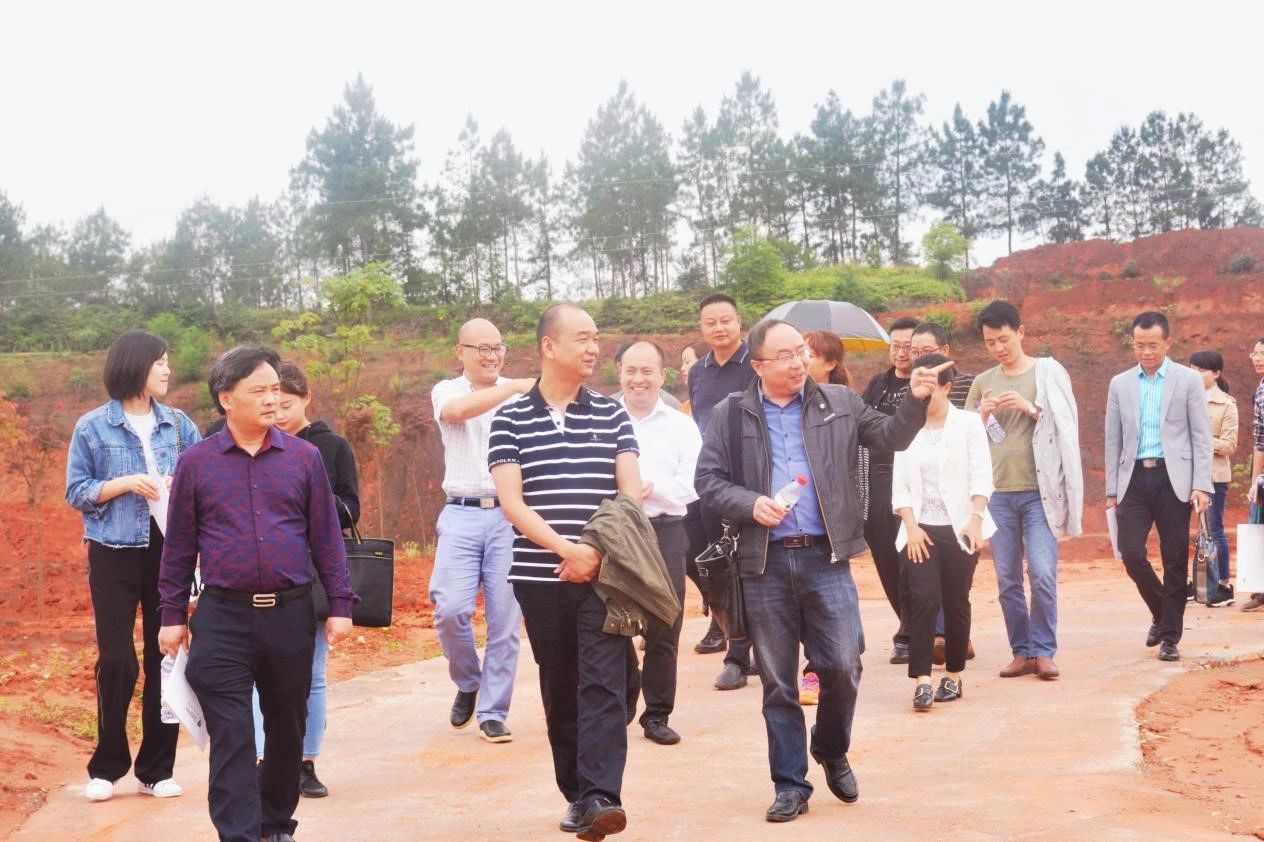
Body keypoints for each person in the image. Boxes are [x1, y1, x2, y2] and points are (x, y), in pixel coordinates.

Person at [695, 318, 946, 823]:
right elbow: (708, 480)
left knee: (843, 665)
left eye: (801, 352)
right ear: (758, 364)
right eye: (785, 355)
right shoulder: (731, 414)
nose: (797, 362)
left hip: (825, 557)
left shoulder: (839, 402)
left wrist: (916, 399)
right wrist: (749, 504)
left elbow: (892, 437)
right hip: (763, 562)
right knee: (778, 682)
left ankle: (830, 747)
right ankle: (790, 784)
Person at [157, 344, 355, 842]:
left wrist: (341, 603)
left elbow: (326, 537)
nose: (271, 400)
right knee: (233, 735)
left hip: (290, 614)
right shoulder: (197, 463)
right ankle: (240, 834)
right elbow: (178, 546)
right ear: (226, 398)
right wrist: (171, 614)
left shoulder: (304, 458)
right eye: (259, 391)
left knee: (287, 728)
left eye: (275, 390)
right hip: (222, 617)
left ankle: (275, 824)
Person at [489, 304, 641, 840]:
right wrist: (565, 550)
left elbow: (629, 492)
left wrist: (593, 550)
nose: (594, 347)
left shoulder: (613, 414)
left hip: (604, 573)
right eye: (582, 338)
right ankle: (578, 794)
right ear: (549, 346)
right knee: (561, 682)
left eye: (596, 337)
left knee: (604, 682)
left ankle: (602, 795)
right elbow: (512, 503)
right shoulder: (510, 418)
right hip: (539, 577)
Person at [65, 330, 200, 803]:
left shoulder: (180, 425)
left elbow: (205, 481)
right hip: (112, 552)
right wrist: (124, 483)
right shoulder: (92, 427)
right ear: (136, 365)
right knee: (117, 660)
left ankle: (156, 770)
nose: (167, 370)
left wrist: (180, 487)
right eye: (160, 362)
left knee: (166, 656)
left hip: (169, 551)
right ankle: (107, 767)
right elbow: (76, 490)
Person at [248, 361, 361, 797]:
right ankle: (263, 760)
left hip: (313, 576)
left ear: (306, 399)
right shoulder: (248, 446)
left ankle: (305, 762)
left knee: (311, 673)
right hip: (260, 577)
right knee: (257, 672)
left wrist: (308, 492)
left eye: (286, 404)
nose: (277, 412)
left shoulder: (331, 447)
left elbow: (351, 509)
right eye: (270, 402)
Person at [966, 301, 1082, 680]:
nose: (998, 348)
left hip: (1038, 492)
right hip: (997, 494)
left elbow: (1066, 423)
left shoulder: (1047, 373)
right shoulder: (983, 382)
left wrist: (1031, 408)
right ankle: (1022, 651)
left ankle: (1045, 650)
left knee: (1043, 573)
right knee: (1007, 579)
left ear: (1020, 332)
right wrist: (982, 416)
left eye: (1004, 339)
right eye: (990, 342)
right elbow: (968, 437)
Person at [430, 319, 532, 743]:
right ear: (461, 352)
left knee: (505, 620)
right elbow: (457, 413)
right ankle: (469, 681)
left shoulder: (525, 397)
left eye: (498, 348)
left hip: (510, 515)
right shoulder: (448, 390)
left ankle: (493, 711)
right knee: (449, 608)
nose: (492, 356)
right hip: (461, 512)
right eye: (482, 348)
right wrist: (512, 388)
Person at [1105, 312, 1212, 662]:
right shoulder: (1120, 384)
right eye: (1140, 345)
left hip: (1174, 479)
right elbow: (1113, 439)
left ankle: (1169, 637)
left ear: (1168, 343)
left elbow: (1201, 436)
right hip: (1133, 478)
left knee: (1175, 557)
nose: (1146, 352)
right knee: (1131, 553)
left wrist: (1202, 485)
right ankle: (1162, 613)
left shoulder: (1188, 380)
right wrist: (1111, 490)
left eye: (1152, 345)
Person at [892, 354, 995, 711]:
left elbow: (982, 474)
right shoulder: (907, 426)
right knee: (921, 599)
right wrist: (911, 526)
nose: (923, 394)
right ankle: (922, 680)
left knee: (955, 600)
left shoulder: (968, 424)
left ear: (947, 388)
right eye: (917, 386)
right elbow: (900, 485)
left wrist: (976, 518)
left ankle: (953, 674)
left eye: (930, 388)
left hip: (962, 526)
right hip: (919, 529)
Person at [615, 340, 700, 746]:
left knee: (666, 624)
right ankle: (624, 695)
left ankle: (657, 714)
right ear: (619, 373)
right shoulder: (603, 420)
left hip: (666, 530)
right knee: (614, 621)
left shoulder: (680, 425)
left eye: (647, 371)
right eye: (631, 370)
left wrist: (650, 488)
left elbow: (694, 482)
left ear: (662, 376)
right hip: (618, 532)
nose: (639, 379)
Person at [686, 293, 758, 690]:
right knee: (719, 563)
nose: (719, 328)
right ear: (701, 328)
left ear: (739, 322)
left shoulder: (756, 363)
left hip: (753, 480)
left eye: (725, 320)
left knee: (756, 565)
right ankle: (731, 643)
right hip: (713, 481)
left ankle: (762, 649)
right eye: (710, 322)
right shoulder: (699, 371)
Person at [910, 321, 977, 664]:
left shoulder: (968, 386)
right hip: (922, 511)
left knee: (955, 591)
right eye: (915, 352)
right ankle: (933, 646)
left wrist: (977, 516)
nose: (920, 358)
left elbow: (979, 457)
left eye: (927, 351)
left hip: (960, 509)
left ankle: (954, 647)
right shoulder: (910, 403)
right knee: (923, 590)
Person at [798, 329, 856, 705]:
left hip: (833, 528)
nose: (802, 360)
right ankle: (812, 674)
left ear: (831, 363)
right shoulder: (784, 404)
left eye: (811, 354)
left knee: (844, 630)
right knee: (807, 612)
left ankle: (833, 666)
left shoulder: (844, 405)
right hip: (794, 526)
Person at [860, 316, 921, 664]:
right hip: (878, 482)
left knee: (910, 560)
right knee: (885, 560)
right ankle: (909, 626)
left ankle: (912, 634)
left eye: (907, 346)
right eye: (895, 346)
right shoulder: (877, 384)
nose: (900, 353)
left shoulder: (925, 385)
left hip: (912, 483)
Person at [1188, 350, 1237, 607]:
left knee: (1214, 530)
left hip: (1214, 476)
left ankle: (1223, 586)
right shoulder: (1184, 398)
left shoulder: (1226, 404)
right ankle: (1194, 583)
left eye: (1201, 370)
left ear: (1216, 373)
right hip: (1185, 473)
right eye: (1192, 369)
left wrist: (1201, 440)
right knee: (1184, 530)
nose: (1195, 374)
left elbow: (1229, 445)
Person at [1245, 338, 1264, 613]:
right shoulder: (1260, 392)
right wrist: (1254, 481)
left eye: (1263, 353)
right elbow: (1260, 440)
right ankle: (1260, 588)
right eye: (1256, 353)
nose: (1258, 358)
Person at [678, 339, 709, 414]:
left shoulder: (722, 404)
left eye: (687, 362)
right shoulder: (685, 408)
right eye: (683, 363)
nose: (682, 368)